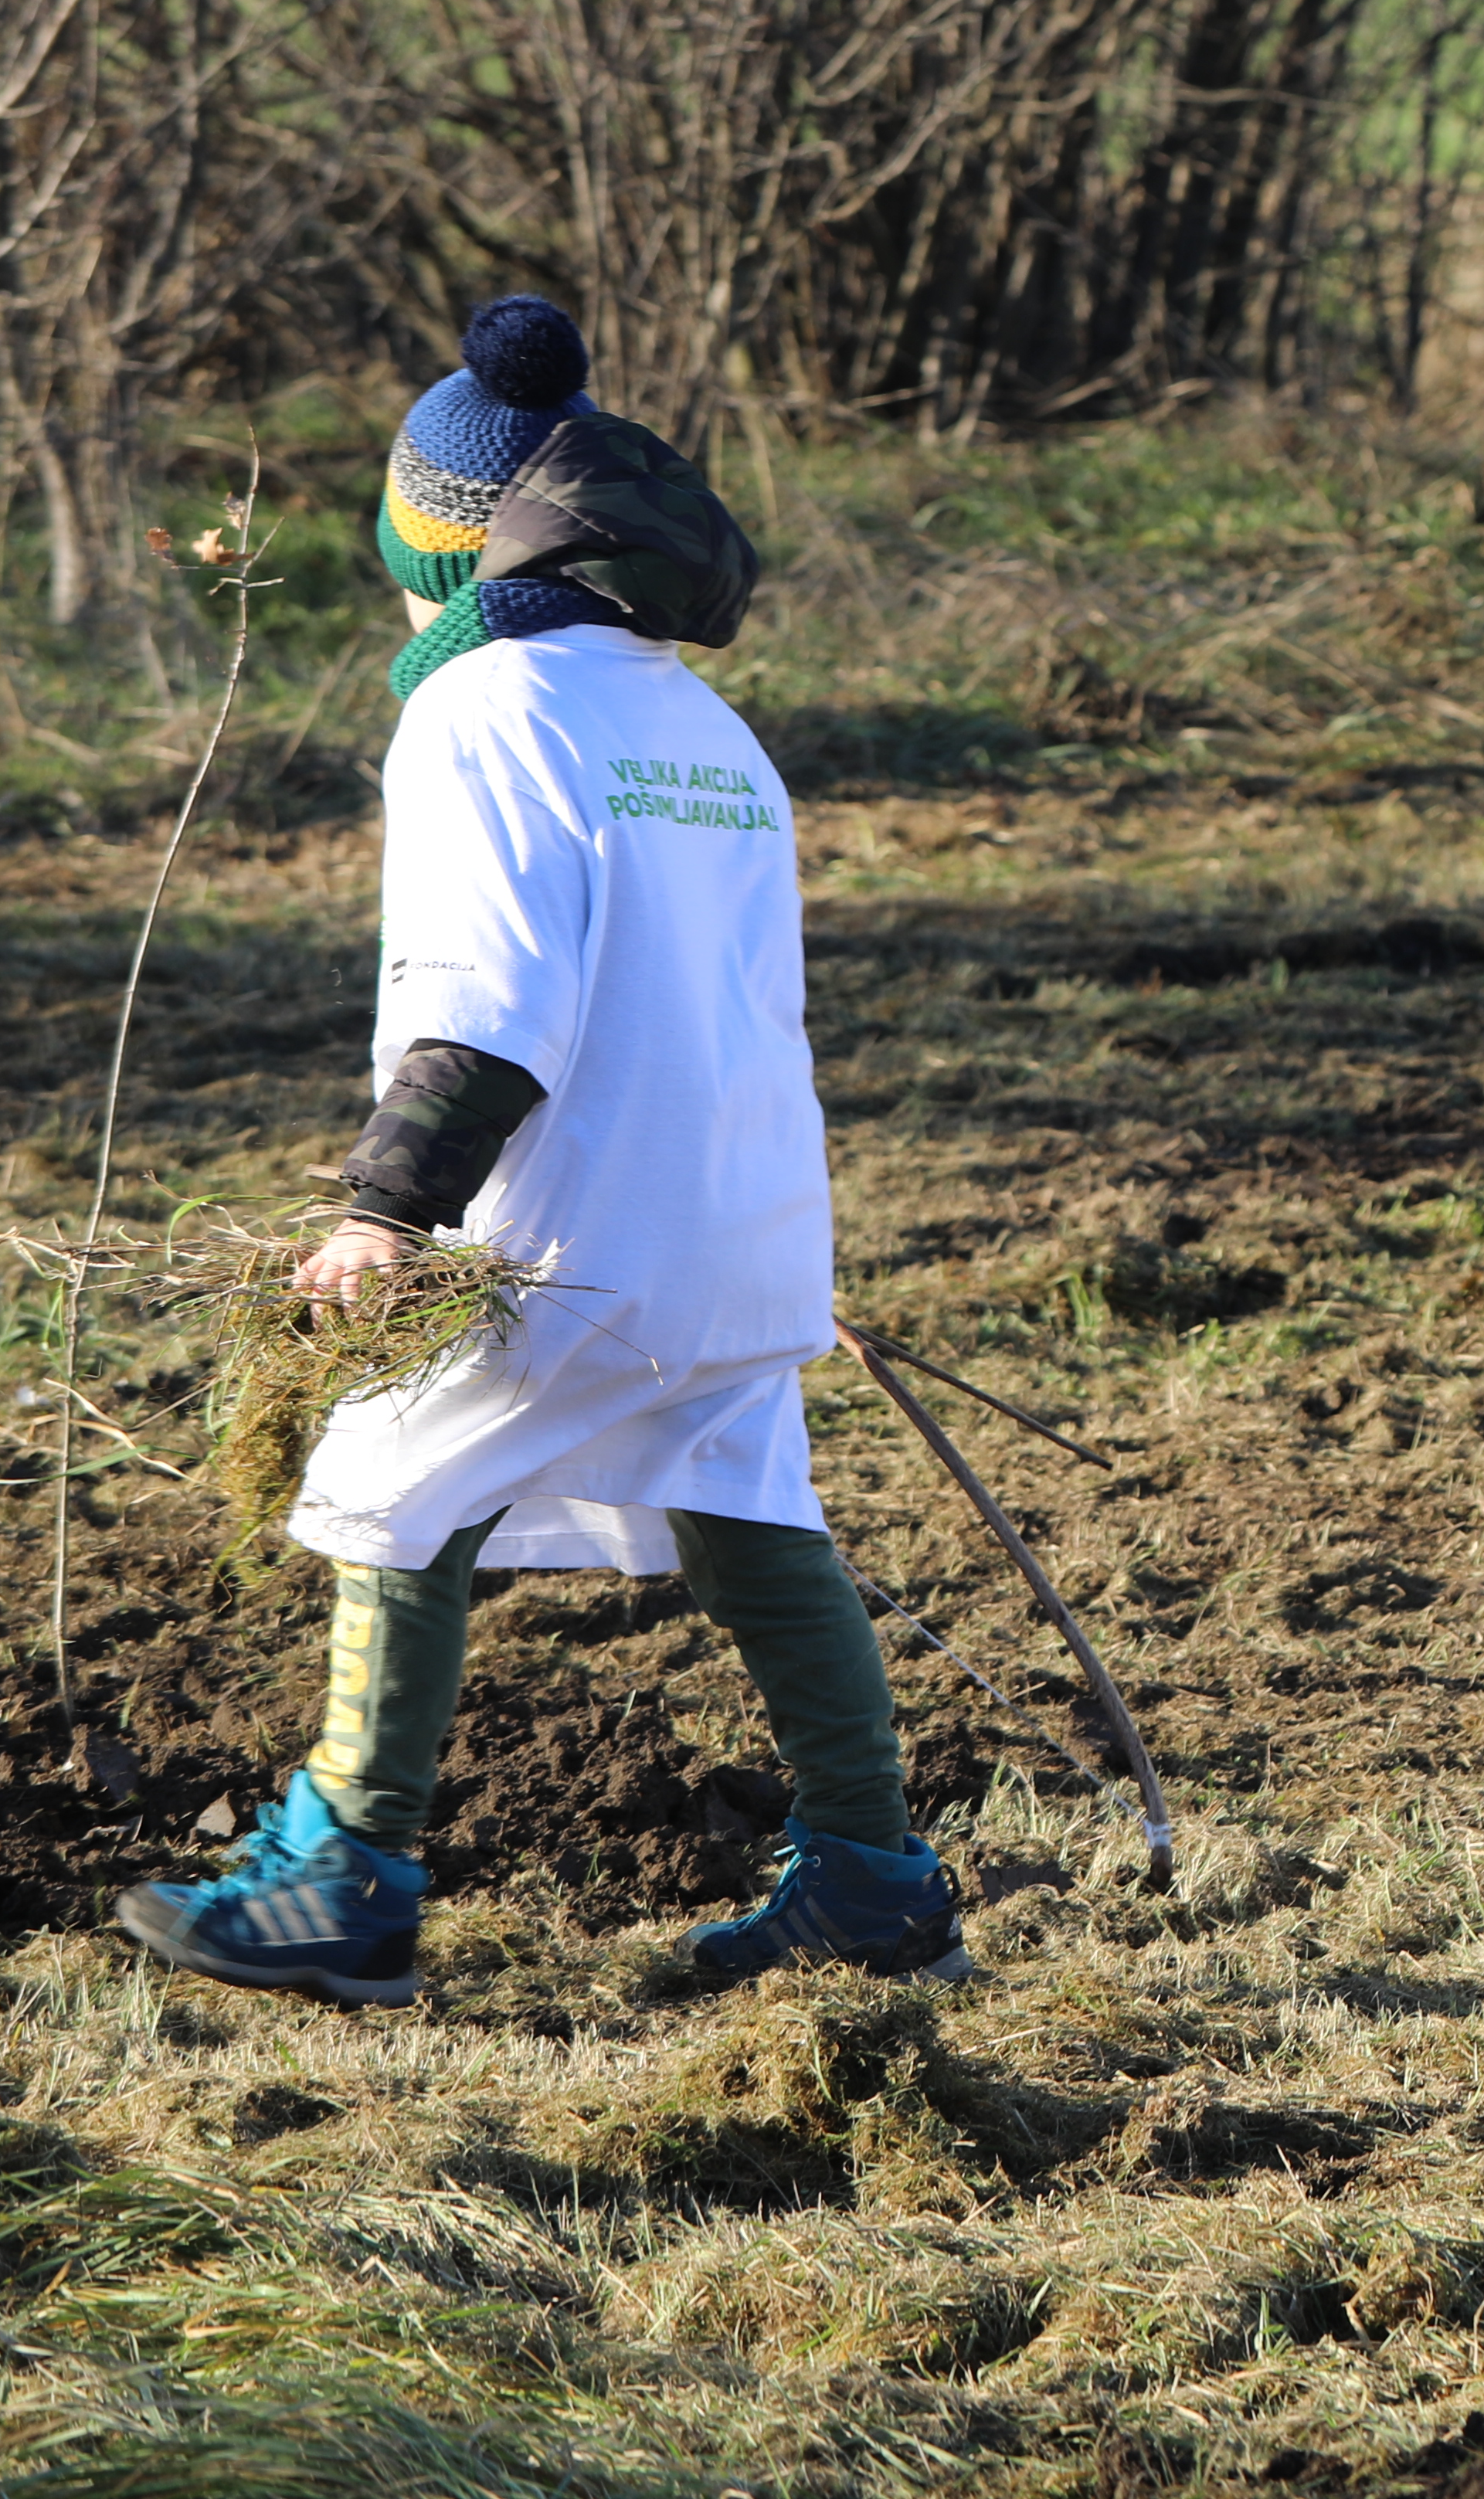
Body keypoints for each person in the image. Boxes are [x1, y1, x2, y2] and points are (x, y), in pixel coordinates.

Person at [117, 298, 965, 2006]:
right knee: (747, 1507)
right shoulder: (702, 724)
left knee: (381, 1479)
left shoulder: (485, 710)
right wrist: (754, 1236)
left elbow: (487, 996)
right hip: (739, 1214)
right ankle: (873, 1875)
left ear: (434, 546)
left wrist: (384, 1213)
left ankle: (345, 1873)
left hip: (562, 1229)